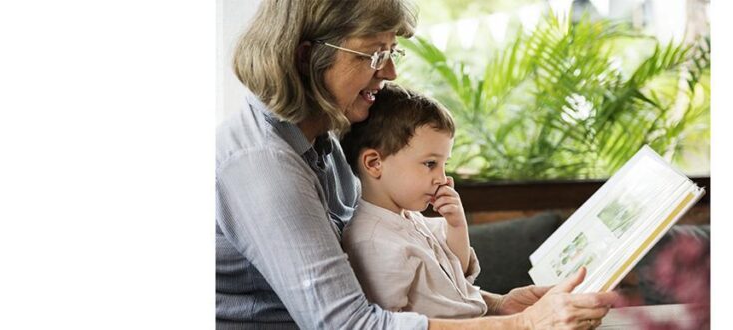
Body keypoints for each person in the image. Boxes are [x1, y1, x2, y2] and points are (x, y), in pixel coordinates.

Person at [216, 0, 617, 328]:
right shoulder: (264, 165)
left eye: (391, 53)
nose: (389, 72)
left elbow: (370, 289)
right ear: (307, 57)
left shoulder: (323, 139)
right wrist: (526, 325)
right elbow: (349, 325)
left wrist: (498, 305)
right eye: (374, 54)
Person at [339, 83, 484, 318]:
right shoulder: (374, 242)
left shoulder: (411, 218)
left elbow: (457, 275)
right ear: (374, 164)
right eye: (430, 164)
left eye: (443, 165)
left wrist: (457, 225)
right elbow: (386, 323)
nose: (442, 178)